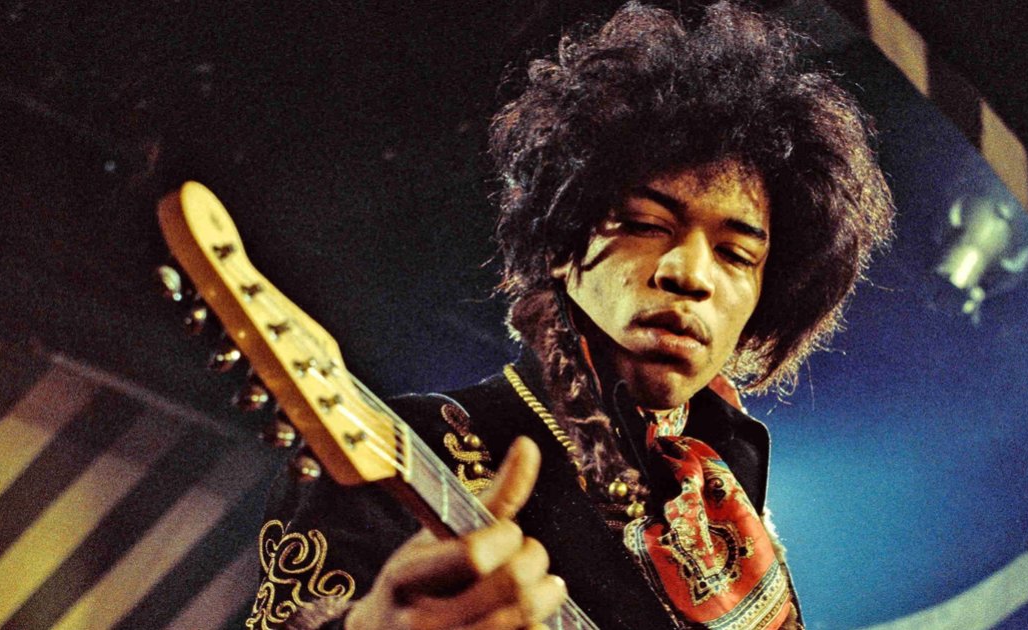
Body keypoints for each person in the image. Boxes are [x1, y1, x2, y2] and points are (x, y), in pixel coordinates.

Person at [247, 2, 892, 629]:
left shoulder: (734, 500)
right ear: (561, 244)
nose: (691, 274)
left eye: (737, 254)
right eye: (646, 223)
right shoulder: (405, 447)